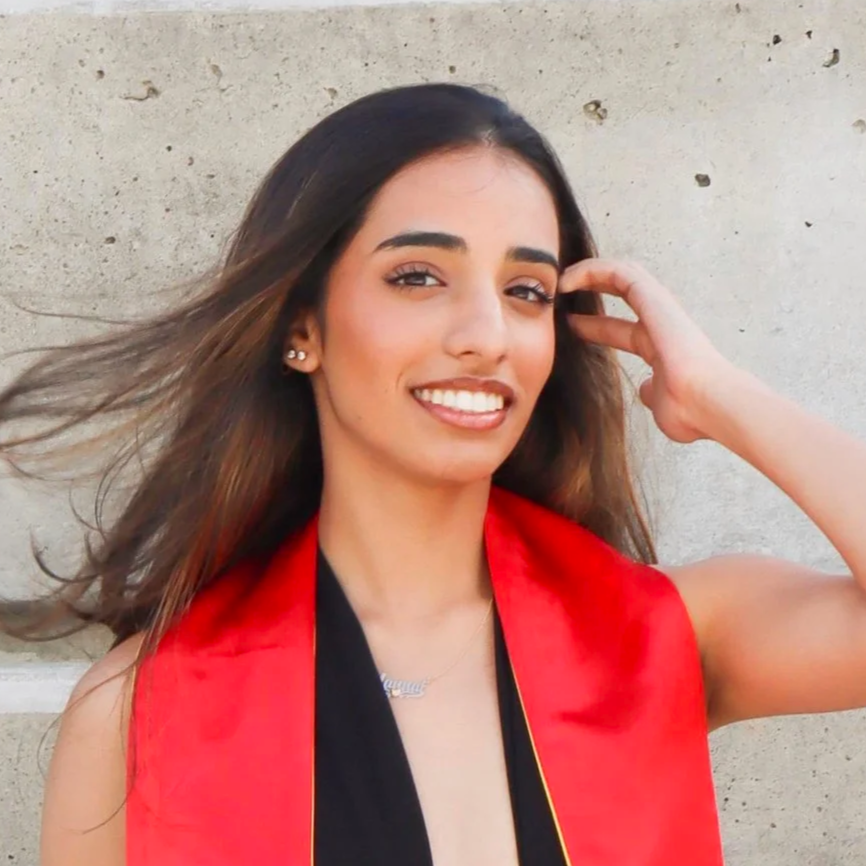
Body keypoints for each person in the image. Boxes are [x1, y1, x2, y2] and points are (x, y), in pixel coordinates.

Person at [3, 82, 865, 866]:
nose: (486, 335)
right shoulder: (139, 710)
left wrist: (716, 393)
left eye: (526, 291)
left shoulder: (663, 639)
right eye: (418, 277)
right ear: (302, 326)